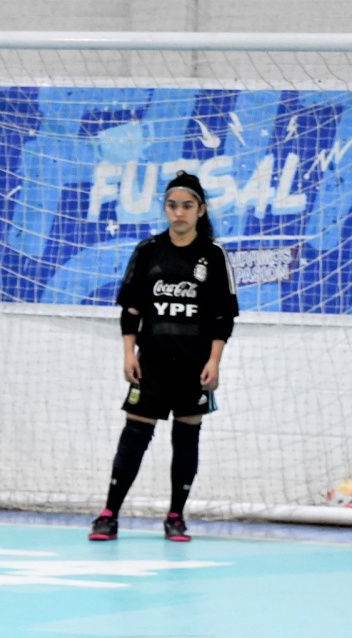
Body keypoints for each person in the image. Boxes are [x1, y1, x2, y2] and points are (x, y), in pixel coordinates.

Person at [89, 171, 238, 543]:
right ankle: (109, 514)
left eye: (187, 206)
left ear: (201, 210)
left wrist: (214, 361)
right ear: (165, 209)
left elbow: (224, 317)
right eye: (172, 205)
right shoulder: (148, 251)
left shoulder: (214, 256)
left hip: (193, 366)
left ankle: (176, 516)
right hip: (151, 363)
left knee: (186, 440)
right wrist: (128, 353)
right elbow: (131, 311)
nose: (179, 213)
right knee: (135, 436)